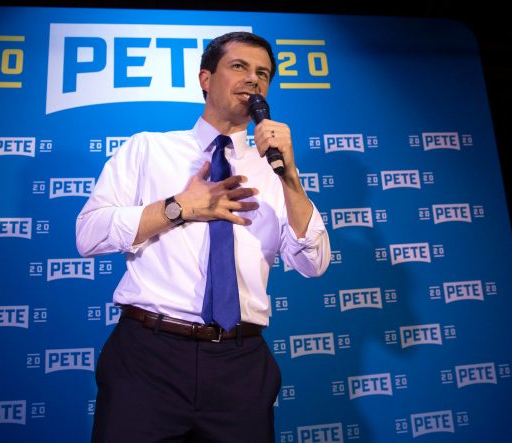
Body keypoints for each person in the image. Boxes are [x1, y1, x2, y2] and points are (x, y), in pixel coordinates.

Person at [76, 31, 330, 443]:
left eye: (263, 73)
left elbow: (313, 263)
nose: (253, 79)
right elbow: (89, 234)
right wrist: (178, 207)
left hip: (240, 364)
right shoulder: (148, 149)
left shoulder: (274, 170)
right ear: (205, 79)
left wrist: (290, 177)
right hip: (148, 358)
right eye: (239, 66)